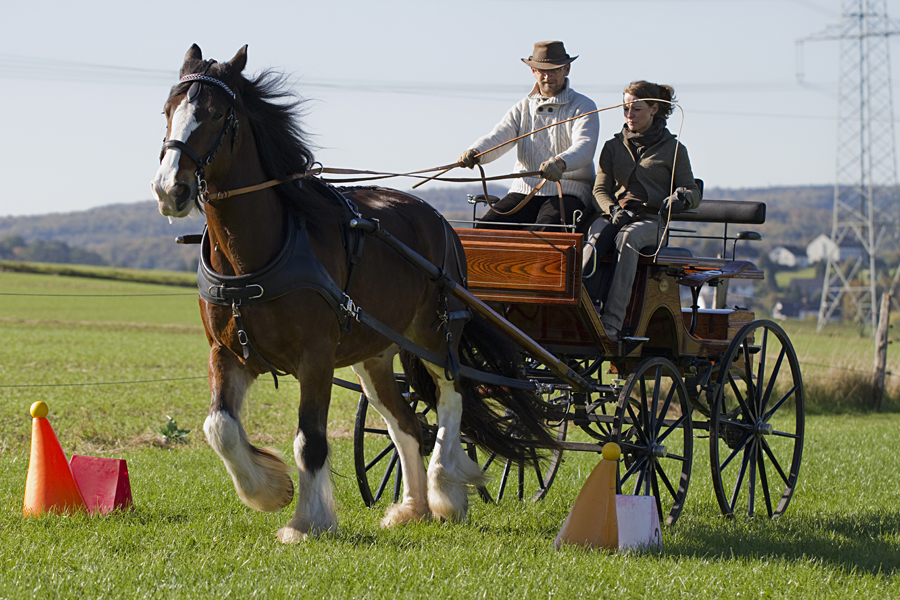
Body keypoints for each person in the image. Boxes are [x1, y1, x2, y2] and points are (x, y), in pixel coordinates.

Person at [590, 81, 701, 342]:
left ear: (654, 109)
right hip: (615, 216)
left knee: (627, 239)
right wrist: (611, 209)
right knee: (591, 238)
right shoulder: (613, 147)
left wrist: (680, 198)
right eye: (625, 109)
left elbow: (692, 190)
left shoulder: (674, 150)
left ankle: (612, 324)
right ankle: (583, 306)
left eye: (636, 109)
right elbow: (599, 190)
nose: (629, 115)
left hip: (653, 223)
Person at [457, 41, 599, 231]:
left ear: (567, 69)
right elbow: (499, 136)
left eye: (554, 70)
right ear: (533, 71)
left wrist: (560, 163)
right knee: (485, 230)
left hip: (568, 191)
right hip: (523, 191)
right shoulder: (522, 108)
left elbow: (585, 146)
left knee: (545, 232)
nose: (547, 76)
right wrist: (476, 152)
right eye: (541, 70)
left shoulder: (583, 106)